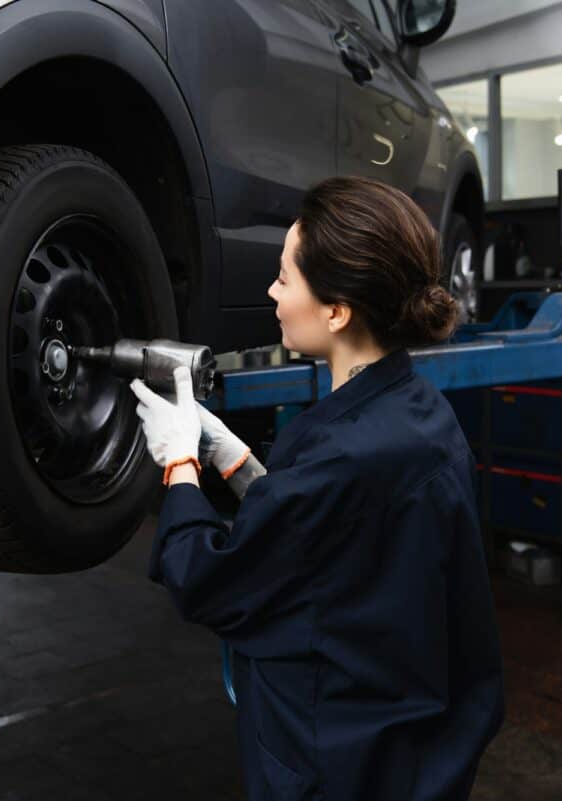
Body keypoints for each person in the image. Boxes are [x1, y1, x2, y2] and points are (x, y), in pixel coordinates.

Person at [129, 176, 504, 801]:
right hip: (420, 753)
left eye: (284, 277)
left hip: (342, 765)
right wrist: (233, 458)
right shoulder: (417, 411)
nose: (273, 293)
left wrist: (178, 465)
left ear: (336, 310)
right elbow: (326, 531)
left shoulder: (345, 454)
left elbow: (208, 583)